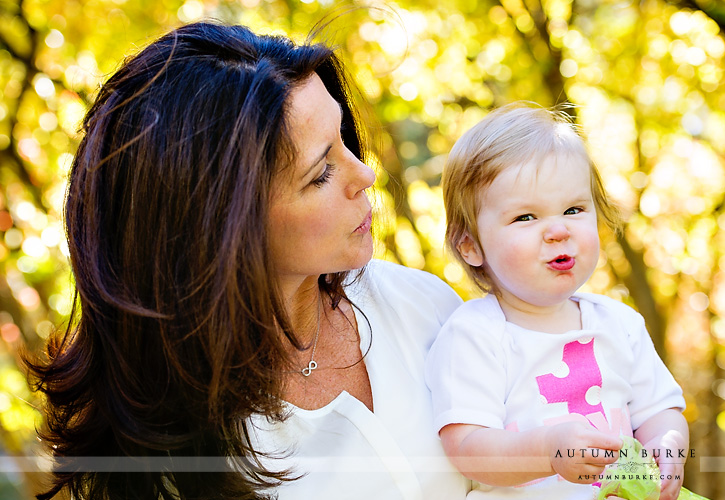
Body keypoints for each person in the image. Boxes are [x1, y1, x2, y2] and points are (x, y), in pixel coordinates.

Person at [27, 22, 470, 500]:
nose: (364, 173)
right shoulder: (174, 462)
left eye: (343, 137)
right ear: (223, 230)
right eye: (320, 173)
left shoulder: (424, 307)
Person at [425, 103, 689, 500]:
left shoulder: (620, 323)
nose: (559, 230)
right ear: (470, 245)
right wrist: (548, 451)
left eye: (573, 209)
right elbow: (466, 446)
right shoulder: (474, 335)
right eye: (526, 217)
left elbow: (660, 410)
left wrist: (667, 449)